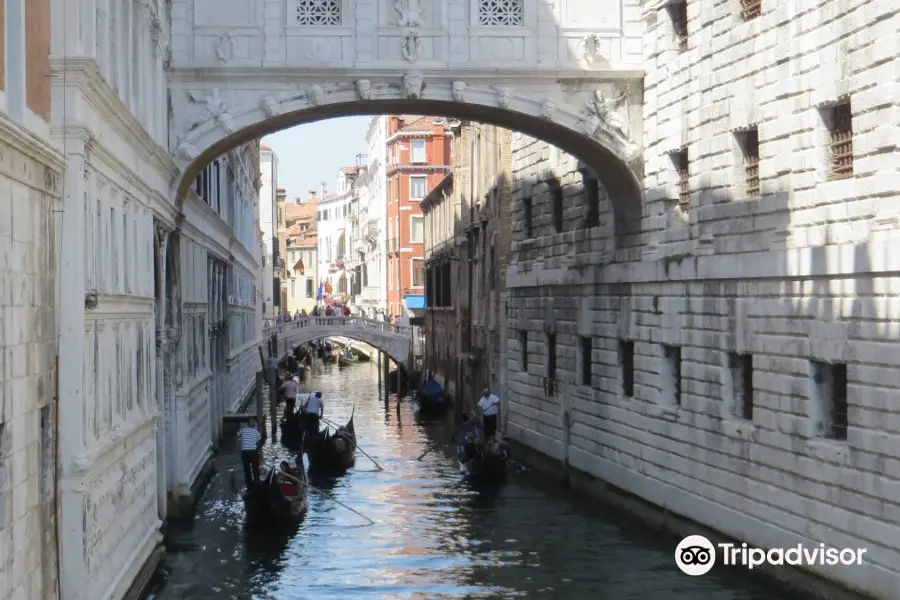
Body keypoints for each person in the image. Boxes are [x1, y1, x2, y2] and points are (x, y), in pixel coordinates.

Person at [238, 419, 262, 488]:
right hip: (254, 452)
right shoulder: (257, 432)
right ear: (254, 425)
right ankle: (257, 483)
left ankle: (249, 486)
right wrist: (260, 454)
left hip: (245, 452)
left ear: (247, 424)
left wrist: (239, 448)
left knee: (247, 469)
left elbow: (238, 437)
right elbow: (258, 443)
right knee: (255, 468)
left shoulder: (242, 430)